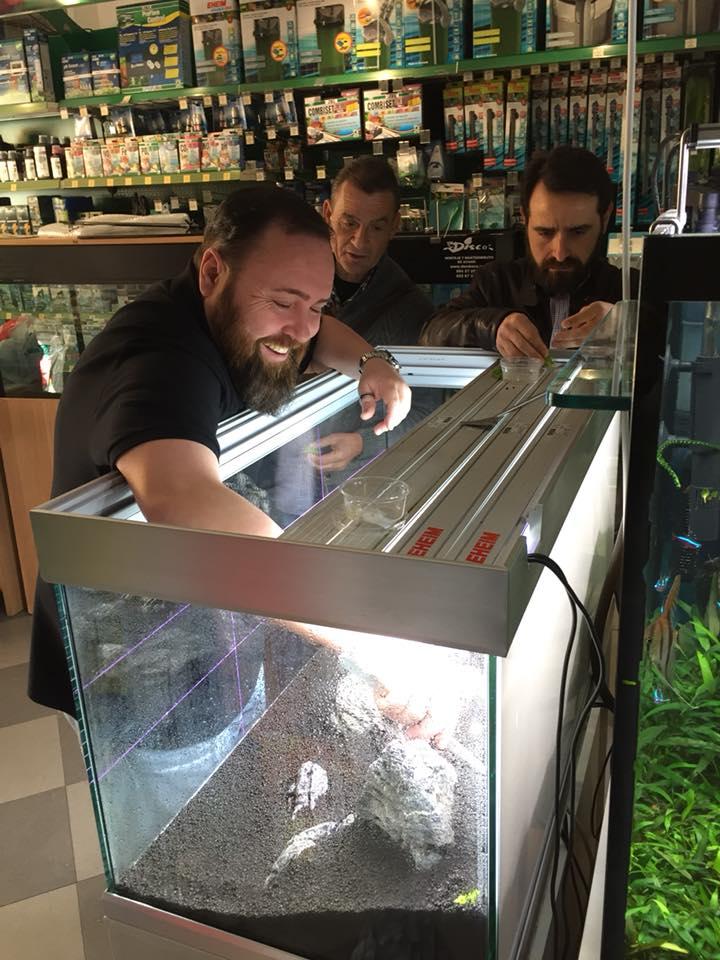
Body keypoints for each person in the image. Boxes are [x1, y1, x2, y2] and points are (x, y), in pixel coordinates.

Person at [29, 185, 414, 720]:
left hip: (210, 624)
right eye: (283, 301)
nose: (301, 327)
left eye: (316, 303)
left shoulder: (238, 320)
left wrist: (374, 363)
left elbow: (318, 335)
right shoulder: (156, 356)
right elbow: (183, 497)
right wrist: (364, 638)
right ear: (212, 272)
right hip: (131, 673)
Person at [420, 145, 639, 357]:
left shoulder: (629, 289)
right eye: (545, 232)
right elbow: (431, 331)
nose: (560, 253)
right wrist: (493, 326)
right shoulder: (495, 284)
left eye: (578, 232)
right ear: (524, 218)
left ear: (605, 218)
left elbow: (658, 327)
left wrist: (628, 322)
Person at [306, 155, 434, 475]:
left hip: (353, 481)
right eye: (348, 223)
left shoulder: (412, 309)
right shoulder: (289, 283)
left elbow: (427, 411)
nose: (359, 241)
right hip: (268, 456)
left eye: (376, 227)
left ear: (394, 226)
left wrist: (363, 443)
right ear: (327, 214)